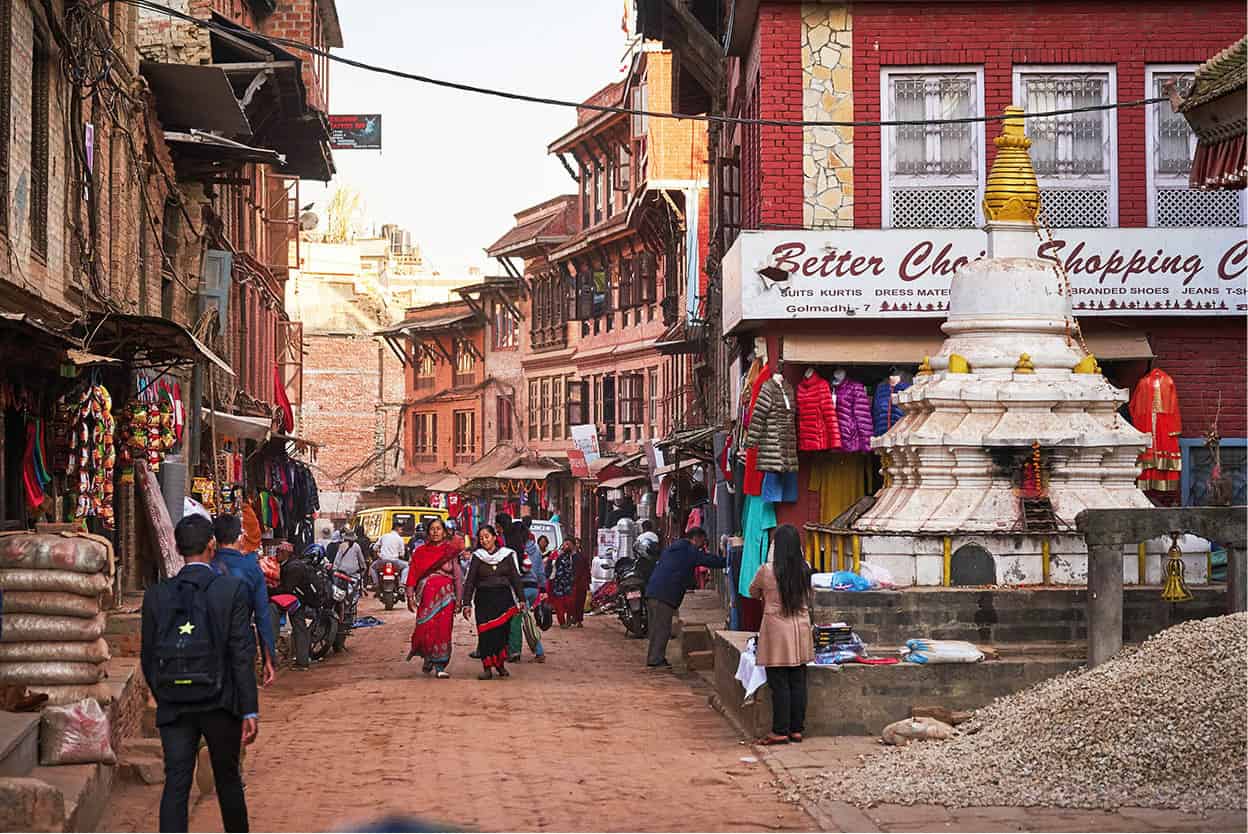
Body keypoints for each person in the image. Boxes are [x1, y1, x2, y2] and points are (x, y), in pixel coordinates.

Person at [141, 515, 258, 833]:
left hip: (175, 705)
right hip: (220, 702)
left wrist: (165, 692)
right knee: (227, 780)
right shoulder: (230, 590)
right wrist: (248, 708)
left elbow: (148, 656)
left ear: (178, 549)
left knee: (176, 784)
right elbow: (241, 654)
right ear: (212, 546)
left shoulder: (156, 596)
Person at [749, 524, 814, 745]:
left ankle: (780, 730)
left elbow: (752, 591)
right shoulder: (805, 568)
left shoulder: (766, 571)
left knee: (779, 683)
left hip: (777, 630)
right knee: (798, 680)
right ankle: (797, 729)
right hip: (801, 628)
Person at [643, 528, 726, 668]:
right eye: (702, 542)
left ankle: (654, 657)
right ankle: (656, 660)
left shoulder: (675, 547)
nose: (702, 547)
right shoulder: (688, 550)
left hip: (654, 592)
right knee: (662, 629)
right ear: (696, 538)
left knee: (656, 628)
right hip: (664, 595)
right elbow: (707, 560)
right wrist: (728, 560)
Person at [211, 514, 277, 687]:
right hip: (240, 643)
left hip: (209, 645)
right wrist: (268, 659)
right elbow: (263, 617)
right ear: (240, 537)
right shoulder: (252, 569)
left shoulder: (207, 567)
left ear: (215, 539)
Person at [460, 525, 524, 679]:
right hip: (484, 600)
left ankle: (500, 664)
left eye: (487, 536)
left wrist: (521, 599)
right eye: (481, 538)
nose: (484, 540)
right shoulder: (477, 556)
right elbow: (470, 581)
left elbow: (515, 578)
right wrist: (466, 603)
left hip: (503, 600)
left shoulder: (507, 555)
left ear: (495, 537)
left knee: (502, 634)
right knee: (485, 634)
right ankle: (487, 667)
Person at [405, 518, 464, 678]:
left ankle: (440, 665)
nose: (435, 532)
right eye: (432, 529)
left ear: (444, 532)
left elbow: (458, 576)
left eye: (439, 529)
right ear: (428, 532)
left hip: (447, 598)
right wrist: (410, 596)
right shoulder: (420, 552)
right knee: (425, 629)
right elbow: (413, 574)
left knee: (443, 630)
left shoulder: (450, 551)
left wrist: (460, 600)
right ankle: (427, 657)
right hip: (427, 597)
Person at [272, 542, 323, 671]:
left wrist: (270, 590)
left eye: (278, 552)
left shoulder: (292, 568)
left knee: (299, 628)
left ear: (285, 553)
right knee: (300, 628)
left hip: (296, 601)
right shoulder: (292, 564)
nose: (276, 555)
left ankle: (302, 661)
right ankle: (303, 658)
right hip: (298, 599)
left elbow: (287, 589)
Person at [513, 529, 546, 663]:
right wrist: (543, 588)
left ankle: (538, 651)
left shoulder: (516, 550)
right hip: (534, 588)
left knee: (524, 621)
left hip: (522, 589)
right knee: (525, 619)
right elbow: (540, 572)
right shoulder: (537, 550)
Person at [548, 540, 576, 628]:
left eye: (569, 544)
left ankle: (568, 618)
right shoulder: (556, 555)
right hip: (558, 584)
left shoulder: (575, 557)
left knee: (569, 604)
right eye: (565, 544)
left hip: (568, 585)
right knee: (559, 604)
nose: (566, 546)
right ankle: (562, 622)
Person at [569, 537, 591, 627]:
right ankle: (571, 617)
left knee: (580, 601)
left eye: (578, 543)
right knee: (571, 602)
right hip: (570, 582)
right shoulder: (567, 556)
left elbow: (586, 569)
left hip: (581, 582)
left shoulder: (582, 556)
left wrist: (588, 582)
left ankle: (579, 620)